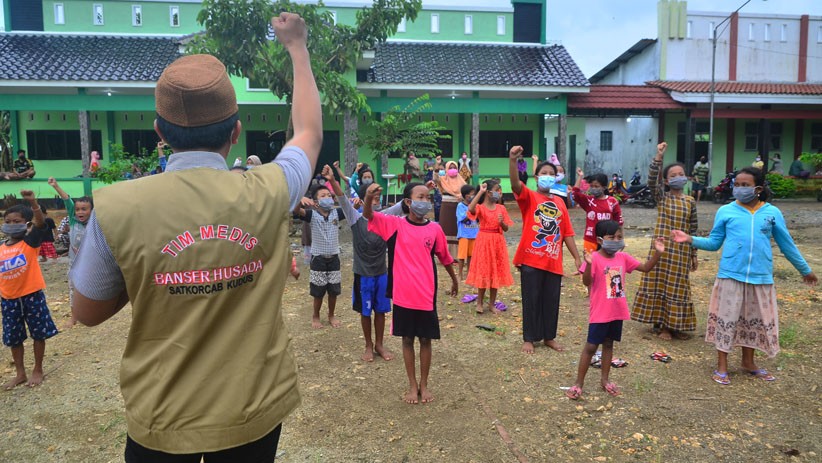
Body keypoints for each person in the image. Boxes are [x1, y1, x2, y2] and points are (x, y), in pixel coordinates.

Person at [69, 13, 321, 461]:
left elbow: (86, 312)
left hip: (162, 416)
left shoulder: (118, 207)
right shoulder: (271, 189)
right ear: (235, 131)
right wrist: (297, 47)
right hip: (252, 410)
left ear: (160, 134)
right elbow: (308, 133)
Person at [671, 167, 817, 385]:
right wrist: (690, 239)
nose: (739, 188)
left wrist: (805, 270)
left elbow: (787, 245)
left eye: (745, 185)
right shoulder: (726, 211)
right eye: (737, 184)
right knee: (727, 320)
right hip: (731, 275)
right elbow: (713, 243)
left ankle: (748, 362)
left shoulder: (772, 213)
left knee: (752, 321)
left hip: (760, 277)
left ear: (757, 188)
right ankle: (722, 366)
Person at [364, 182, 458, 405]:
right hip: (403, 295)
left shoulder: (434, 229)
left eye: (427, 197)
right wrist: (368, 197)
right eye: (420, 197)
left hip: (426, 294)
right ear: (408, 202)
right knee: (407, 339)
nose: (424, 202)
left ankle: (424, 384)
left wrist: (455, 280)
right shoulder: (394, 225)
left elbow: (445, 257)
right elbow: (368, 215)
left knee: (426, 339)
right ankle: (412, 385)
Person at [565, 221, 665, 400]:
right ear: (600, 240)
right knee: (590, 347)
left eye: (619, 237)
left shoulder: (623, 258)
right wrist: (588, 264)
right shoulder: (594, 258)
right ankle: (579, 383)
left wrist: (658, 252)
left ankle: (605, 380)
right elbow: (586, 282)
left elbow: (646, 268)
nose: (617, 241)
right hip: (600, 313)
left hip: (617, 312)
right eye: (612, 237)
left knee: (609, 344)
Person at [508, 145, 581, 354]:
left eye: (552, 173)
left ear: (557, 177)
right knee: (531, 299)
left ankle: (549, 337)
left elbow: (566, 232)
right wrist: (513, 160)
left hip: (553, 260)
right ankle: (529, 338)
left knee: (551, 300)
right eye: (544, 173)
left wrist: (576, 257)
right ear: (536, 176)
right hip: (531, 259)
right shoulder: (529, 197)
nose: (548, 176)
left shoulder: (560, 202)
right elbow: (515, 183)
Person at [327, 165, 394, 363]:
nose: (377, 199)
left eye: (378, 196)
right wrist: (332, 180)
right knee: (366, 311)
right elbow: (342, 199)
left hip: (381, 273)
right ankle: (368, 344)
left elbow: (407, 204)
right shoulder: (355, 218)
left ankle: (380, 344)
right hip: (363, 275)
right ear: (364, 199)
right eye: (373, 196)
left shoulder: (386, 217)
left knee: (380, 310)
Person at [631, 142, 698, 341]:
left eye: (681, 174)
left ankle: (676, 326)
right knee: (659, 284)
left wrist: (694, 254)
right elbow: (652, 181)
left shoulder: (690, 201)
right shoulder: (662, 198)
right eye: (673, 175)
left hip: (681, 252)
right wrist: (658, 157)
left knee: (678, 286)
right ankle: (662, 327)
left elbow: (693, 228)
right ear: (667, 181)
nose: (678, 177)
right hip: (661, 249)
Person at [1, 190, 58, 389]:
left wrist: (33, 203)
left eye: (17, 221)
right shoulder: (1, 248)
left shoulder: (29, 243)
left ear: (27, 224)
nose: (11, 223)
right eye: (8, 220)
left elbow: (41, 223)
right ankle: (20, 373)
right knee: (14, 337)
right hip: (8, 300)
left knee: (38, 333)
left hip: (31, 296)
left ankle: (38, 369)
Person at [294, 179, 346, 329]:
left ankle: (331, 315)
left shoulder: (337, 213)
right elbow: (297, 211)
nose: (328, 197)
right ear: (316, 202)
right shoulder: (312, 215)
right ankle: (315, 316)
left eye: (329, 195)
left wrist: (355, 202)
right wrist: (299, 199)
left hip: (334, 258)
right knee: (318, 291)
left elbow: (351, 208)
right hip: (318, 259)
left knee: (334, 291)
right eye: (323, 195)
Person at [47, 177, 92, 328]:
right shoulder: (73, 221)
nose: (80, 212)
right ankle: (74, 317)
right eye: (78, 209)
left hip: (92, 264)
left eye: (84, 209)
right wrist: (56, 186)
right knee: (73, 289)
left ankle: (91, 313)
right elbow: (67, 200)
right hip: (74, 264)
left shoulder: (95, 223)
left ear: (92, 211)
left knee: (90, 288)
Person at [465, 180, 514, 314]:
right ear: (488, 192)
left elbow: (506, 228)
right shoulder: (480, 207)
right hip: (484, 241)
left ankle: (492, 304)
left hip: (497, 241)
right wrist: (480, 191)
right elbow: (470, 209)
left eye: (500, 190)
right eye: (497, 190)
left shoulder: (501, 208)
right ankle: (479, 302)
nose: (499, 193)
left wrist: (502, 222)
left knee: (495, 272)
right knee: (484, 270)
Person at [572, 170, 623, 256]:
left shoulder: (612, 201)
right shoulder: (588, 201)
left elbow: (619, 221)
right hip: (590, 239)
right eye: (591, 186)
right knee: (590, 264)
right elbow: (575, 193)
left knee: (606, 264)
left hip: (607, 240)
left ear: (604, 187)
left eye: (596, 186)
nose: (593, 188)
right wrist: (580, 176)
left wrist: (620, 240)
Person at [456, 184, 479, 281]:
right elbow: (463, 219)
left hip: (474, 234)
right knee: (462, 256)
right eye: (472, 194)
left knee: (471, 255)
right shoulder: (460, 206)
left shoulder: (476, 206)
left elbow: (478, 219)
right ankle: (460, 273)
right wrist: (470, 212)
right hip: (464, 234)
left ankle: (469, 273)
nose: (473, 196)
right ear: (466, 196)